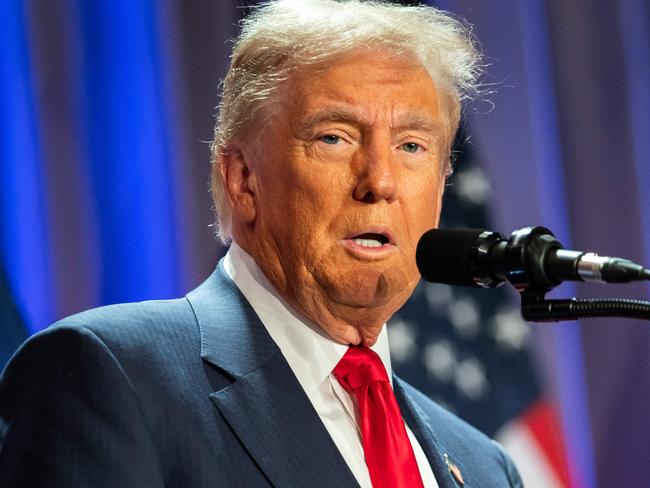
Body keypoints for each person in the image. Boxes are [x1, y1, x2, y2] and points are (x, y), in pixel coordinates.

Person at [0, 1, 523, 486]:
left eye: (412, 145)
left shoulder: (483, 466)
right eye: (334, 137)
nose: (380, 180)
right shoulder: (110, 378)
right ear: (243, 180)